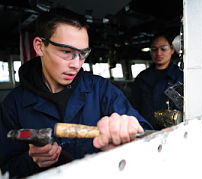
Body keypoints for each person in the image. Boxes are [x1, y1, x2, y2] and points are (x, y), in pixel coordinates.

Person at [0, 8, 153, 178]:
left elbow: (147, 136)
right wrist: (32, 160)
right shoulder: (13, 104)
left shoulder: (102, 90)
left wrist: (130, 136)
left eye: (82, 54)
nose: (76, 64)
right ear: (40, 46)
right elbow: (6, 169)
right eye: (67, 52)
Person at [130, 33, 183, 130]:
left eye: (163, 48)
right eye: (154, 49)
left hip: (173, 130)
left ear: (171, 49)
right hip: (146, 130)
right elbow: (134, 107)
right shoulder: (142, 78)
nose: (158, 53)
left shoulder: (180, 76)